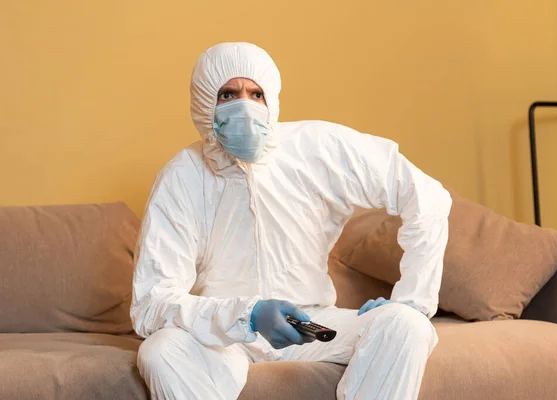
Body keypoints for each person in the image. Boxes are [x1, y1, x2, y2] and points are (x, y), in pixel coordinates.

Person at [130, 42, 452, 400]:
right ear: (204, 104)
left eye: (256, 94)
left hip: (312, 324)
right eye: (228, 94)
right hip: (224, 337)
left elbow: (427, 196)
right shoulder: (182, 177)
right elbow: (151, 302)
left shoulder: (316, 149)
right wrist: (247, 316)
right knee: (161, 351)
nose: (245, 106)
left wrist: (411, 300)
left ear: (272, 101)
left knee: (407, 326)